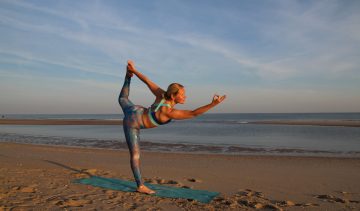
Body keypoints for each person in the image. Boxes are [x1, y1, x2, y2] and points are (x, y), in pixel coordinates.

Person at [118, 60, 226, 194]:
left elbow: (146, 80)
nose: (185, 96)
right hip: (132, 124)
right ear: (174, 96)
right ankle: (140, 186)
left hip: (135, 110)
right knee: (135, 155)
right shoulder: (169, 112)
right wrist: (213, 104)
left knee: (123, 99)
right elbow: (193, 113)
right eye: (182, 95)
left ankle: (128, 76)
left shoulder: (162, 95)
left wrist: (133, 71)